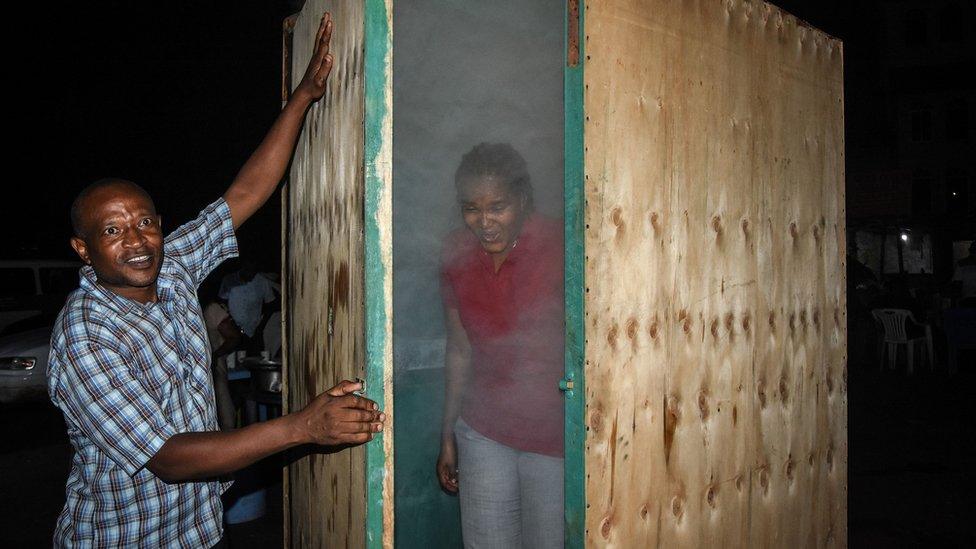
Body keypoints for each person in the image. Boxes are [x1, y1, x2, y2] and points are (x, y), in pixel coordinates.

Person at [47, 13, 383, 547]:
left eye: (145, 222)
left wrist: (301, 99)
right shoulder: (85, 335)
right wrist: (302, 427)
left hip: (198, 532)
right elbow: (169, 457)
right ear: (83, 250)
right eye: (112, 230)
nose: (135, 239)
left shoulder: (170, 264)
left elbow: (245, 194)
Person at [435, 143, 565, 548]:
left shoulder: (562, 246)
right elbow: (459, 350)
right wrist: (448, 435)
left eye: (498, 206)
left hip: (555, 438)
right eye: (471, 208)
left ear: (523, 200)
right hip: (483, 430)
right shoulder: (455, 255)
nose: (484, 221)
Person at [219, 259, 280, 351]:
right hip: (233, 332)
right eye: (248, 270)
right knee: (233, 362)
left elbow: (271, 304)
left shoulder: (262, 281)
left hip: (254, 332)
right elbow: (221, 303)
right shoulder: (229, 280)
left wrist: (261, 327)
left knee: (255, 360)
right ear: (243, 267)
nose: (250, 275)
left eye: (253, 271)